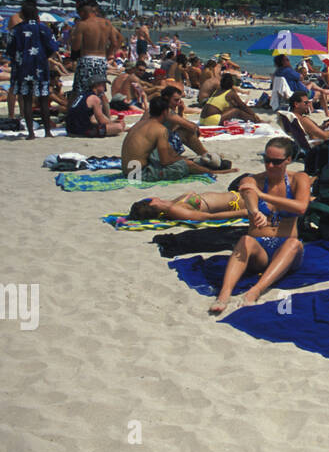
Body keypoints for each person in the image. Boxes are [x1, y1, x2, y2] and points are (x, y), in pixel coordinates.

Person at [209, 139, 311, 315]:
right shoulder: (253, 180)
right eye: (266, 160)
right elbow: (248, 192)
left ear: (288, 160)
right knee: (245, 240)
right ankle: (224, 293)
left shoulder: (299, 179)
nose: (270, 165)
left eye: (276, 162)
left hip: (286, 248)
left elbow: (301, 207)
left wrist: (263, 195)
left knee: (294, 244)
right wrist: (255, 211)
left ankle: (256, 290)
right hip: (259, 251)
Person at [120, 96, 213, 181]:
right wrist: (185, 161)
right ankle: (212, 171)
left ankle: (205, 165)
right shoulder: (160, 129)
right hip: (139, 174)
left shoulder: (139, 124)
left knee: (182, 160)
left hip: (128, 171)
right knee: (186, 165)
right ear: (165, 112)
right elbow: (165, 161)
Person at [7, 2, 61, 139]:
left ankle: (31, 133)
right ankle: (47, 131)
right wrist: (43, 57)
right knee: (43, 99)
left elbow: (10, 50)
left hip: (23, 68)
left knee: (27, 100)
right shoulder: (44, 28)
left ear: (22, 15)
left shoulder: (16, 30)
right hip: (40, 67)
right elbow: (53, 47)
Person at [69, 0, 120, 100]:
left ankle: (72, 114)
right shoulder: (106, 23)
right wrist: (109, 54)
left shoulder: (82, 24)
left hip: (86, 60)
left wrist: (72, 37)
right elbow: (115, 42)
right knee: (100, 91)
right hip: (101, 60)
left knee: (79, 91)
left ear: (83, 12)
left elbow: (76, 47)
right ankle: (106, 115)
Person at [128, 190, 248, 222]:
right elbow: (207, 217)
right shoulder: (174, 210)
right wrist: (242, 213)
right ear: (152, 203)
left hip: (237, 196)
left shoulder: (170, 206)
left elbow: (190, 194)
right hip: (239, 203)